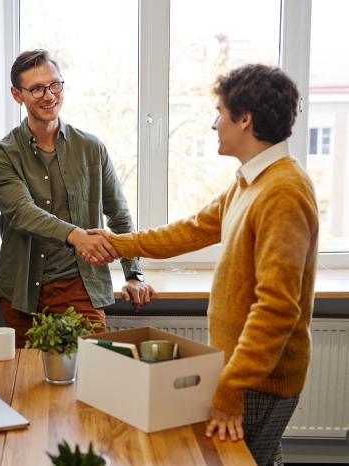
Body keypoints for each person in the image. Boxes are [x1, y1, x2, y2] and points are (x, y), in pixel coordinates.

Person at [101, 64, 317, 466]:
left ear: (245, 119)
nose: (214, 124)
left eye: (220, 111)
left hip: (259, 380)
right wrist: (117, 244)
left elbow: (277, 308)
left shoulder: (283, 192)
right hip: (243, 372)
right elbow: (192, 230)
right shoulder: (251, 182)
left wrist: (231, 390)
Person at [0, 49, 155, 348]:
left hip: (79, 285)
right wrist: (77, 236)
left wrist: (134, 273)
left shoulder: (91, 147)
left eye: (55, 85)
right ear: (17, 95)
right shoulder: (2, 154)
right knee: (27, 384)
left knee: (89, 378)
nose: (48, 95)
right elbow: (22, 211)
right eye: (36, 88)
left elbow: (118, 214)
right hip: (23, 290)